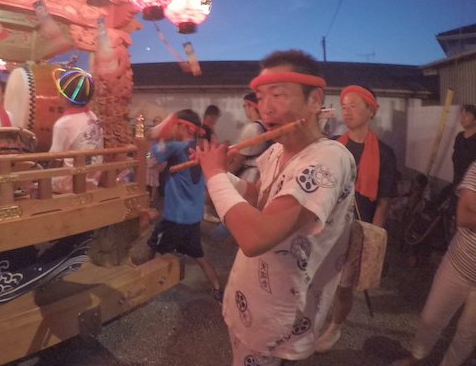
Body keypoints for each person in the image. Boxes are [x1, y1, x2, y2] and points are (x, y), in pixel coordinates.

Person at [193, 49, 355, 365]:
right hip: (251, 298)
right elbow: (260, 196)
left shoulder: (327, 159)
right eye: (260, 97)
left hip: (279, 313)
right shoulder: (277, 150)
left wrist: (215, 177)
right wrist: (222, 174)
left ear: (314, 100)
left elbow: (256, 238)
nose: (265, 107)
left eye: (278, 95)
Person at [315, 85, 398, 352]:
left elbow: (383, 201)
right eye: (344, 106)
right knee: (317, 279)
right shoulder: (333, 145)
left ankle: (334, 328)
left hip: (358, 229)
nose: (346, 111)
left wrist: (372, 242)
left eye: (353, 105)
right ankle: (310, 323)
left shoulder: (384, 153)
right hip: (328, 225)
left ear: (371, 110)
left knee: (344, 286)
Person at [391, 161, 476, 366]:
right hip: (459, 263)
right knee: (431, 319)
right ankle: (416, 358)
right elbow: (464, 216)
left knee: (468, 334)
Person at [146, 109, 223, 301]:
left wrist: (157, 136)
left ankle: (142, 283)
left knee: (153, 245)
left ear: (185, 127)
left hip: (176, 216)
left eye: (175, 125)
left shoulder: (177, 147)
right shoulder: (197, 148)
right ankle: (217, 288)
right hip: (193, 216)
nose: (172, 128)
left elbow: (151, 156)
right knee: (199, 255)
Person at [49, 68, 104, 193]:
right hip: (92, 182)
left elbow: (55, 160)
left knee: (34, 186)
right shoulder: (93, 117)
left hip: (68, 185)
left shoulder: (63, 124)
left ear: (63, 96)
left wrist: (45, 176)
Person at [229, 92, 270, 183]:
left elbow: (240, 158)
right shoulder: (267, 126)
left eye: (245, 106)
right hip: (263, 173)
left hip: (249, 174)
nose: (244, 109)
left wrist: (227, 174)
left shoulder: (252, 128)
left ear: (251, 106)